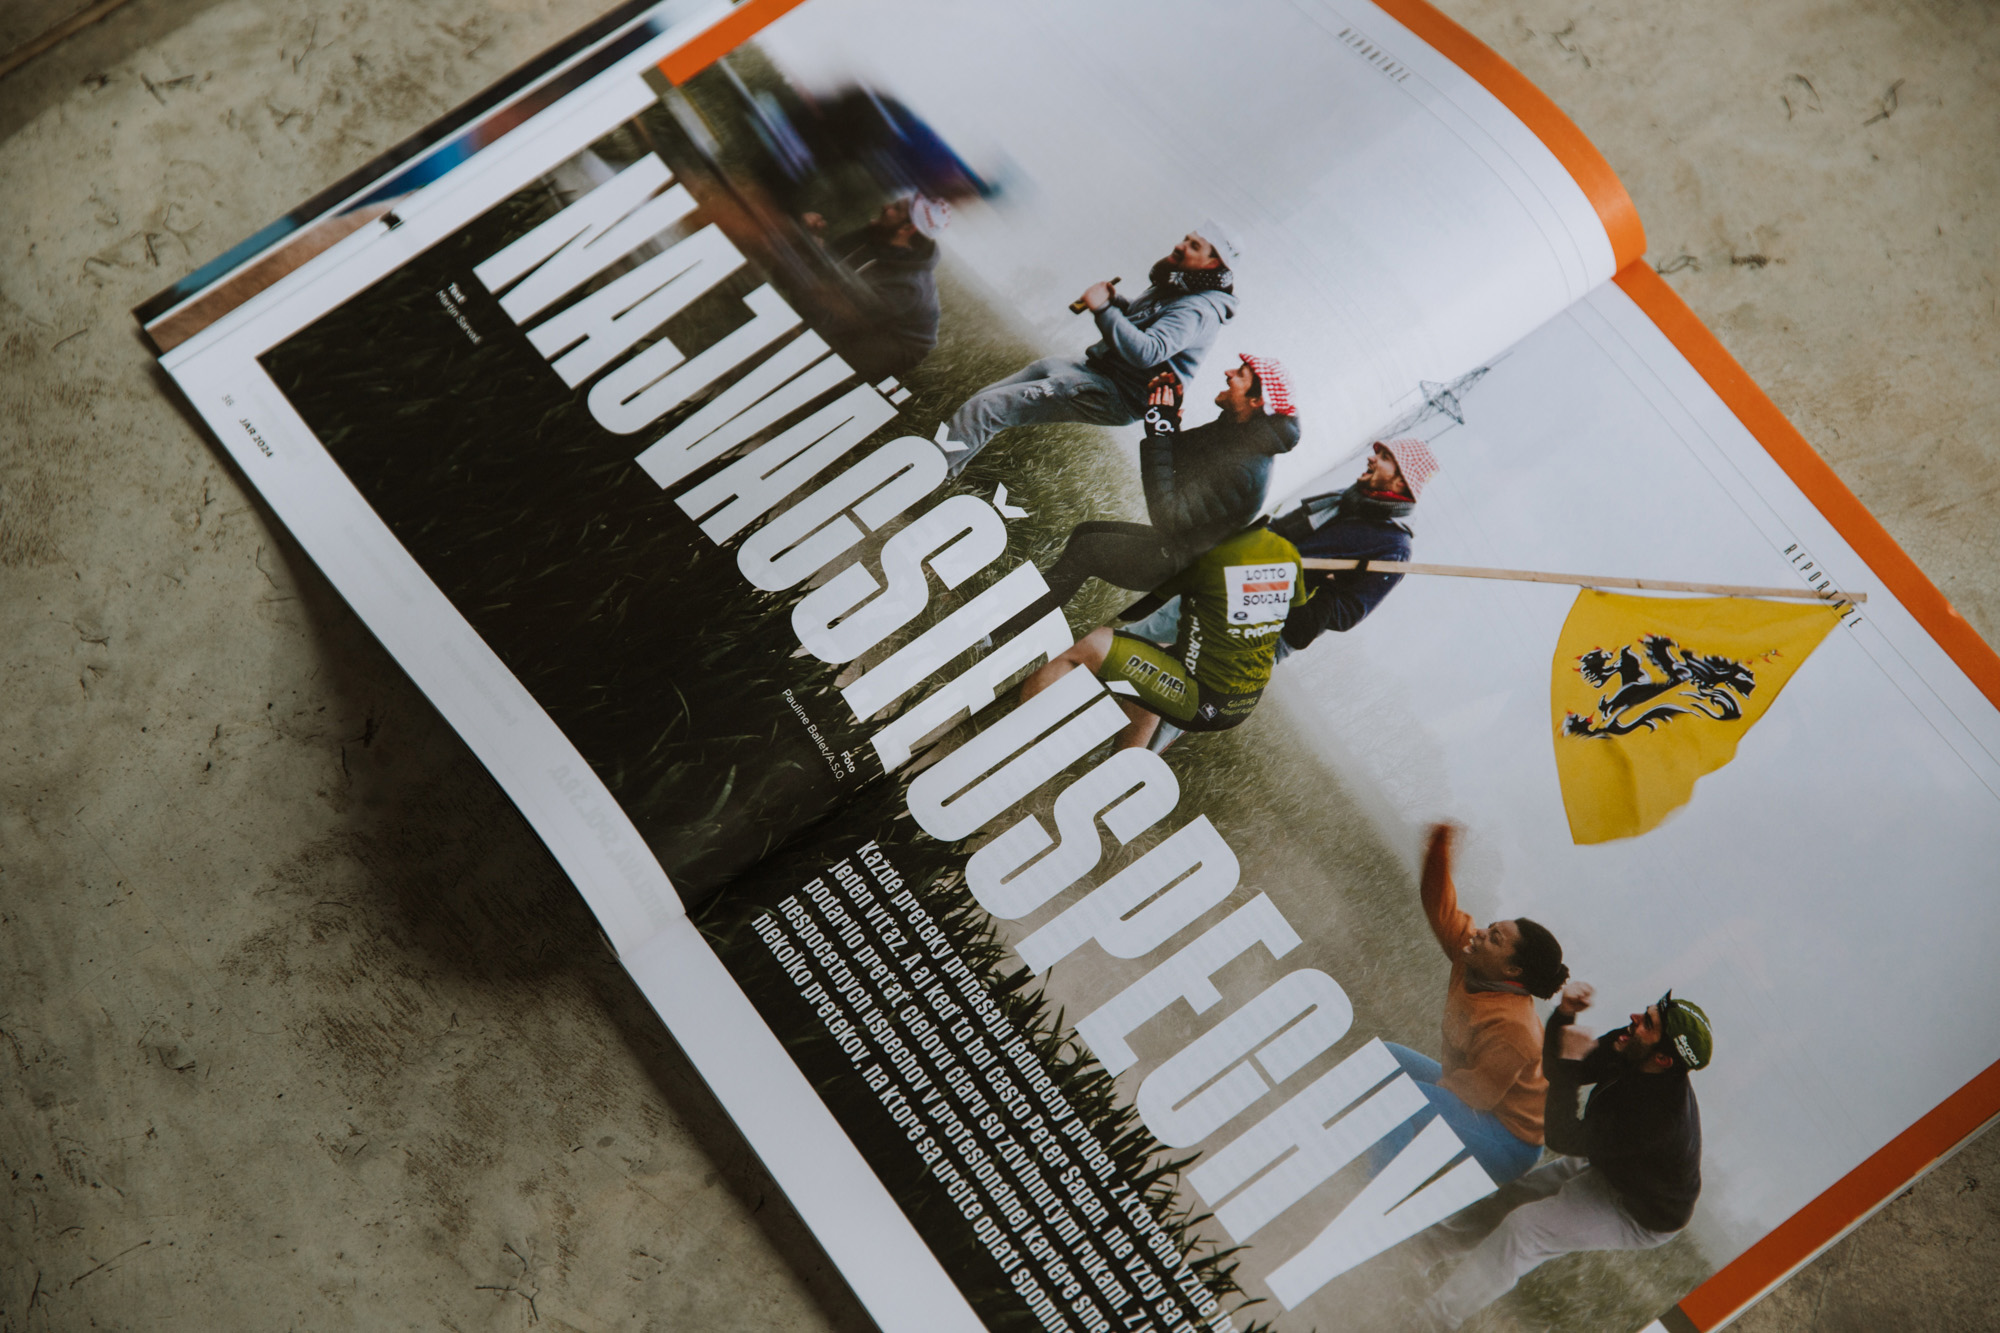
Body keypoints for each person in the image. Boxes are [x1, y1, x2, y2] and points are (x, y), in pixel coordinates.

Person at [1417, 982, 1712, 1331]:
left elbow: (1563, 1136)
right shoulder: (1631, 1046)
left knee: (1524, 1231)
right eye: (1645, 1013)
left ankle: (1432, 1321)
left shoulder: (1658, 1121)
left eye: (1647, 1023)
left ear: (1663, 1059)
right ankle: (1419, 1253)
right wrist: (1565, 1014)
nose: (1635, 1018)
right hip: (1610, 1159)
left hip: (1637, 1210)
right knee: (1512, 1198)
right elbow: (1561, 1070)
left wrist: (1570, 1063)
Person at [987, 354, 1300, 644]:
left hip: (1177, 568)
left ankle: (997, 633)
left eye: (1240, 374)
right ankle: (1017, 620)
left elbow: (1168, 514)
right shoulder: (1238, 433)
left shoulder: (1244, 466)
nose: (1228, 373)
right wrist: (1168, 418)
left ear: (1256, 400)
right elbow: (1181, 462)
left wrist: (1160, 434)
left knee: (1087, 550)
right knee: (1086, 534)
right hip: (1176, 546)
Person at [939, 224, 1242, 476]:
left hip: (1117, 393)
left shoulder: (1197, 310)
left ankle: (927, 474)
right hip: (1098, 371)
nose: (1180, 245)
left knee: (987, 409)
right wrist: (1117, 302)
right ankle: (940, 469)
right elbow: (1146, 321)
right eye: (1186, 238)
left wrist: (1104, 309)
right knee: (987, 398)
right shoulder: (1182, 281)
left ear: (1213, 264)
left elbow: (1148, 351)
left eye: (1194, 246)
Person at [1368, 824, 1569, 1186]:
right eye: (1490, 927)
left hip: (1506, 1139)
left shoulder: (1515, 1030)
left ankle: (1365, 1193)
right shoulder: (1471, 956)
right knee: (1382, 1058)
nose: (1479, 933)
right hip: (1473, 1098)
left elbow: (1476, 1094)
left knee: (1402, 1100)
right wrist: (1439, 848)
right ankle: (1348, 1141)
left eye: (1494, 938)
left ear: (1512, 971)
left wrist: (1421, 1095)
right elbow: (1440, 907)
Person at [1017, 523, 1303, 751]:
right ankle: (1119, 778)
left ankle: (1015, 748)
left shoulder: (1209, 557)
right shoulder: (1285, 553)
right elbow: (1299, 607)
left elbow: (1137, 609)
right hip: (1242, 699)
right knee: (1154, 662)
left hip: (1204, 699)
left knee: (1082, 645)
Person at [1268, 435, 1439, 657]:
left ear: (1401, 482)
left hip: (1273, 631)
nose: (1371, 458)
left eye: (1385, 457)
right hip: (1247, 580)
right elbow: (1279, 529)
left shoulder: (1395, 547)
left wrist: (1325, 591)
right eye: (1378, 453)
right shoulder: (1345, 498)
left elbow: (1348, 613)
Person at [803, 192, 950, 381]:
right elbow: (826, 263)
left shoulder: (908, 287)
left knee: (825, 359)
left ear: (907, 229)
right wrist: (809, 240)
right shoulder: (877, 233)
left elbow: (838, 317)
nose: (885, 207)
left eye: (896, 208)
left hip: (897, 343)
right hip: (865, 314)